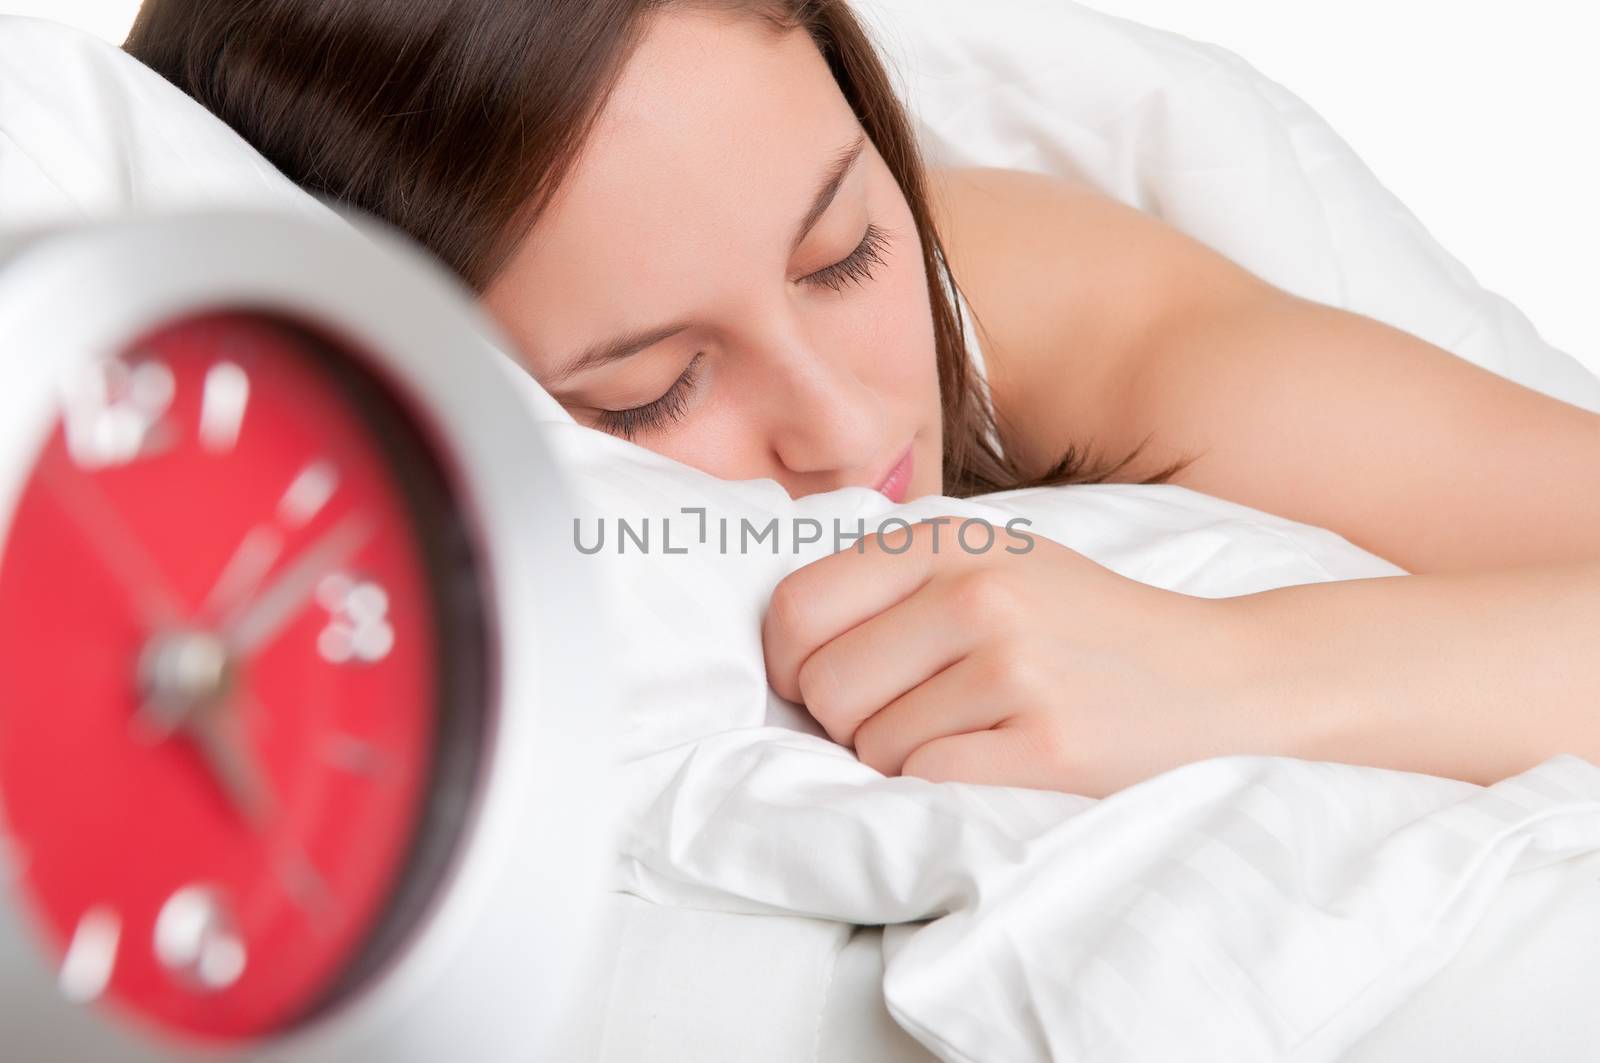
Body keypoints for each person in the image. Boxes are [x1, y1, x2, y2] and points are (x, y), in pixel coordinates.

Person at [124, 0, 1600, 798]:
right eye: (647, 395)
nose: (843, 432)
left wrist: (1237, 675)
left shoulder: (1028, 297)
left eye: (841, 255)